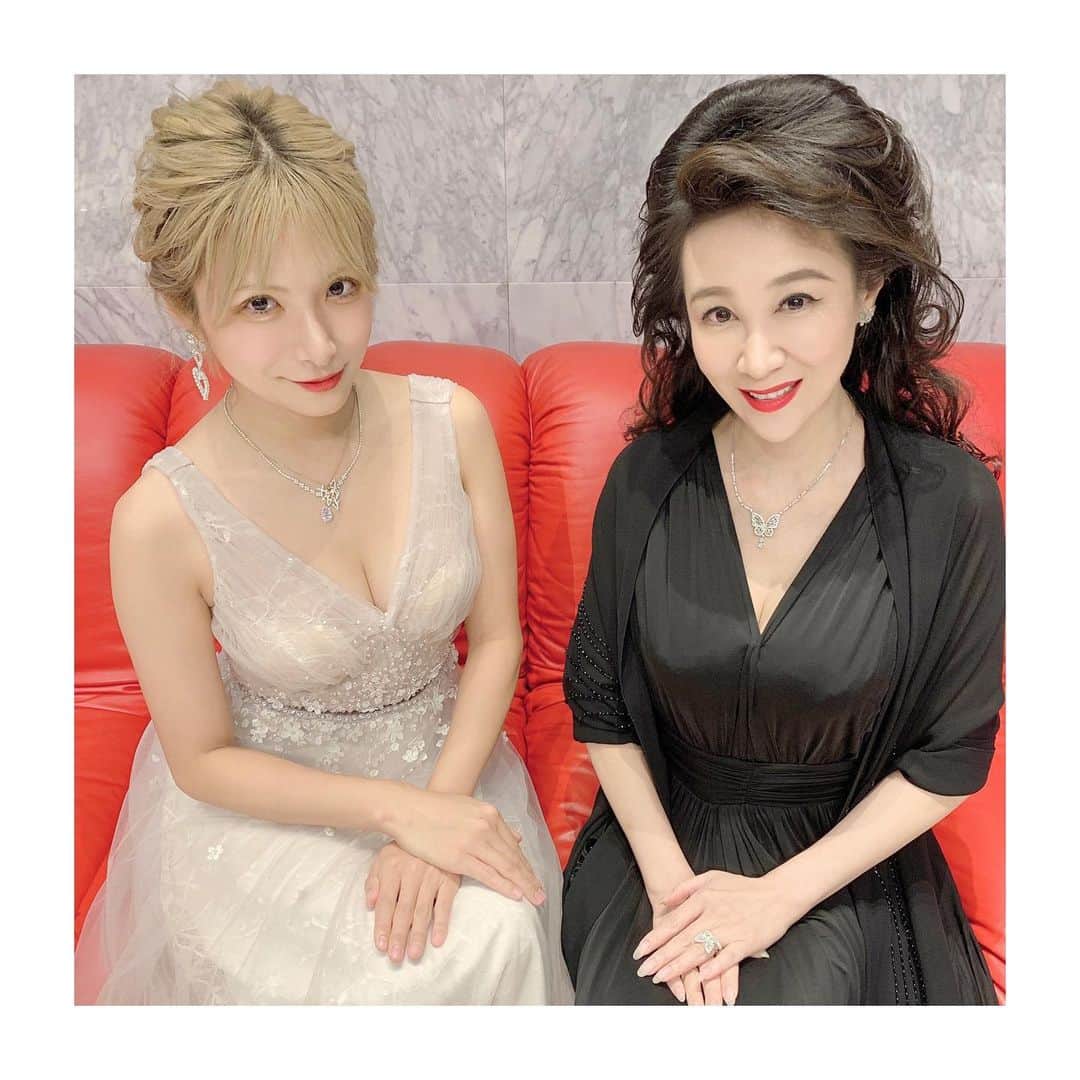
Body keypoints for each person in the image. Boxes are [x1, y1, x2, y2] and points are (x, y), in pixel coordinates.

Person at [75, 80, 573, 1005]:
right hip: (271, 818)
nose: (317, 345)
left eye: (340, 289)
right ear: (187, 310)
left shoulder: (453, 423)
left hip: (450, 768)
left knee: (494, 935)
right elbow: (202, 760)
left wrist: (441, 811)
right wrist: (402, 815)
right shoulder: (159, 518)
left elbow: (500, 639)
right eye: (259, 304)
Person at [560, 74, 1004, 1005]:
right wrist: (676, 894)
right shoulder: (646, 481)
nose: (756, 359)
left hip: (844, 866)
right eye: (719, 313)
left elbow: (949, 756)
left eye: (796, 302)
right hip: (660, 855)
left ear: (869, 285)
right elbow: (600, 706)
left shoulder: (946, 501)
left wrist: (772, 901)